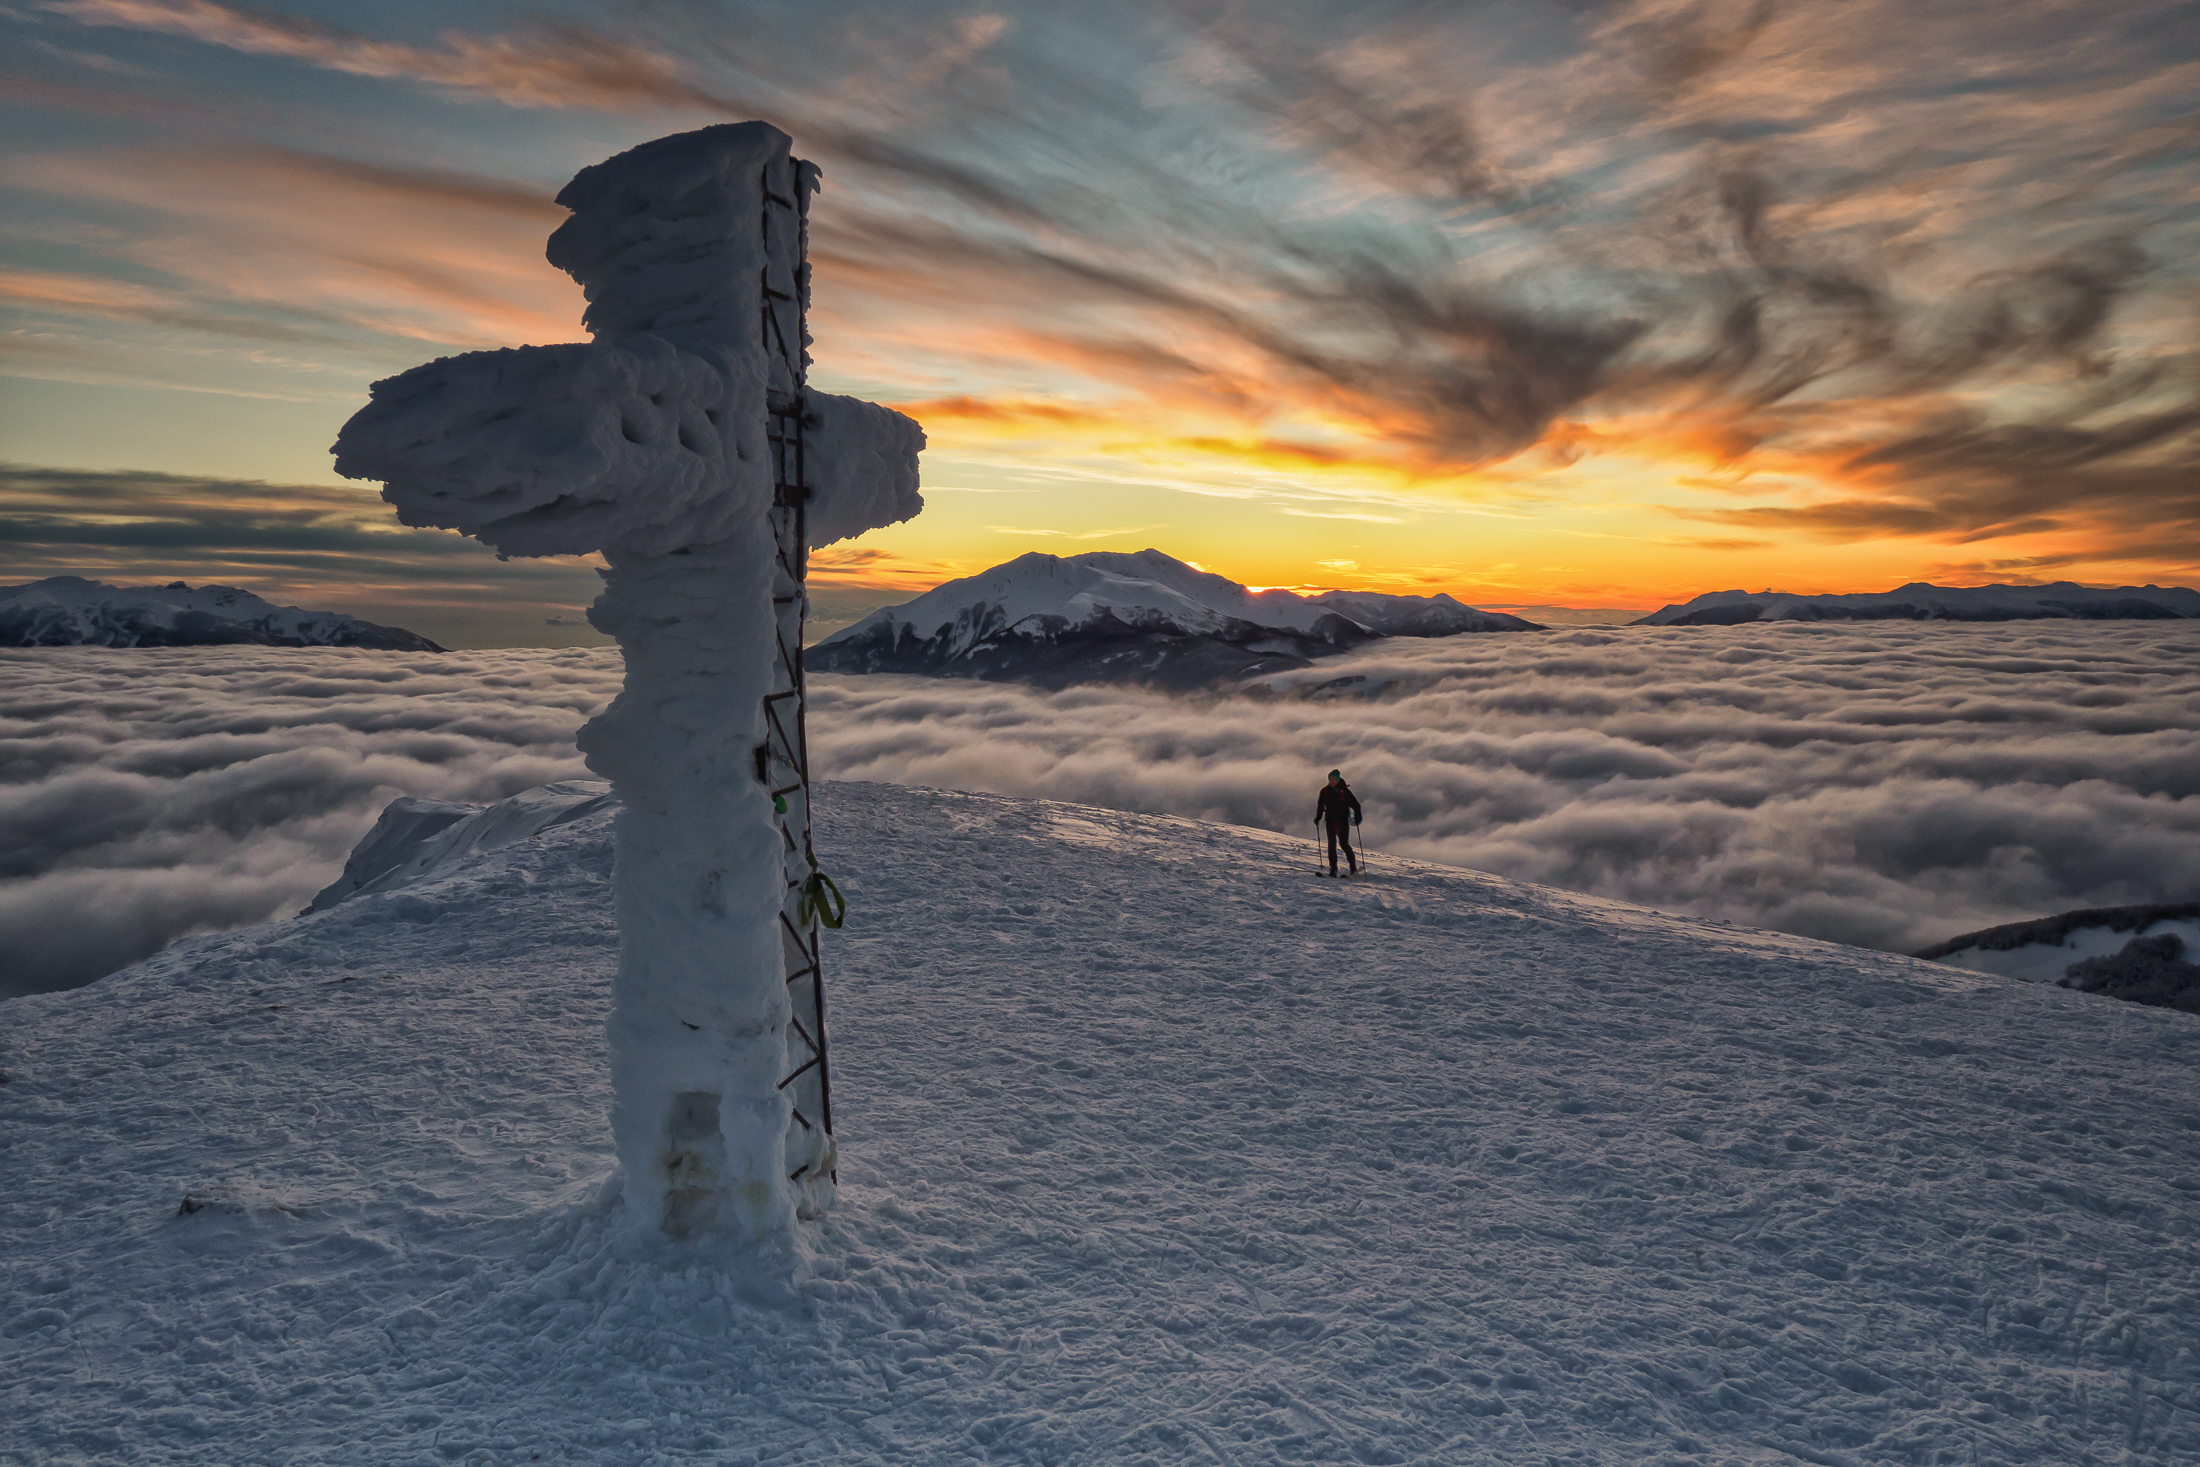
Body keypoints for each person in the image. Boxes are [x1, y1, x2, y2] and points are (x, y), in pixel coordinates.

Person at [1313, 768, 1362, 877]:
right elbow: (1321, 806)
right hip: (1330, 820)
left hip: (1342, 821)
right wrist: (1318, 817)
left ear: (1338, 779)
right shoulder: (1325, 791)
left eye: (1333, 779)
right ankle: (1333, 869)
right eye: (1330, 779)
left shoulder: (1344, 791)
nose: (1331, 782)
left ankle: (1352, 868)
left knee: (1343, 844)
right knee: (1331, 845)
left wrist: (1358, 817)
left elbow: (1356, 805)